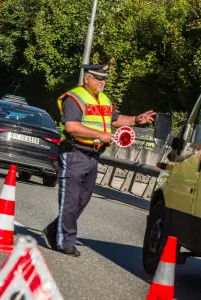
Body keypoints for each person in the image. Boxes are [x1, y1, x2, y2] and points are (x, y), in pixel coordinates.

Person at [41, 64, 156, 257]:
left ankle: (54, 231)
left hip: (93, 155)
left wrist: (137, 120)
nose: (102, 82)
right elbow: (71, 127)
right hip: (75, 152)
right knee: (70, 200)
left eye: (104, 79)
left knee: (82, 199)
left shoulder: (103, 99)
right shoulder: (74, 98)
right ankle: (64, 242)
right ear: (87, 78)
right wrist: (100, 135)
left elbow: (116, 120)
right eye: (97, 78)